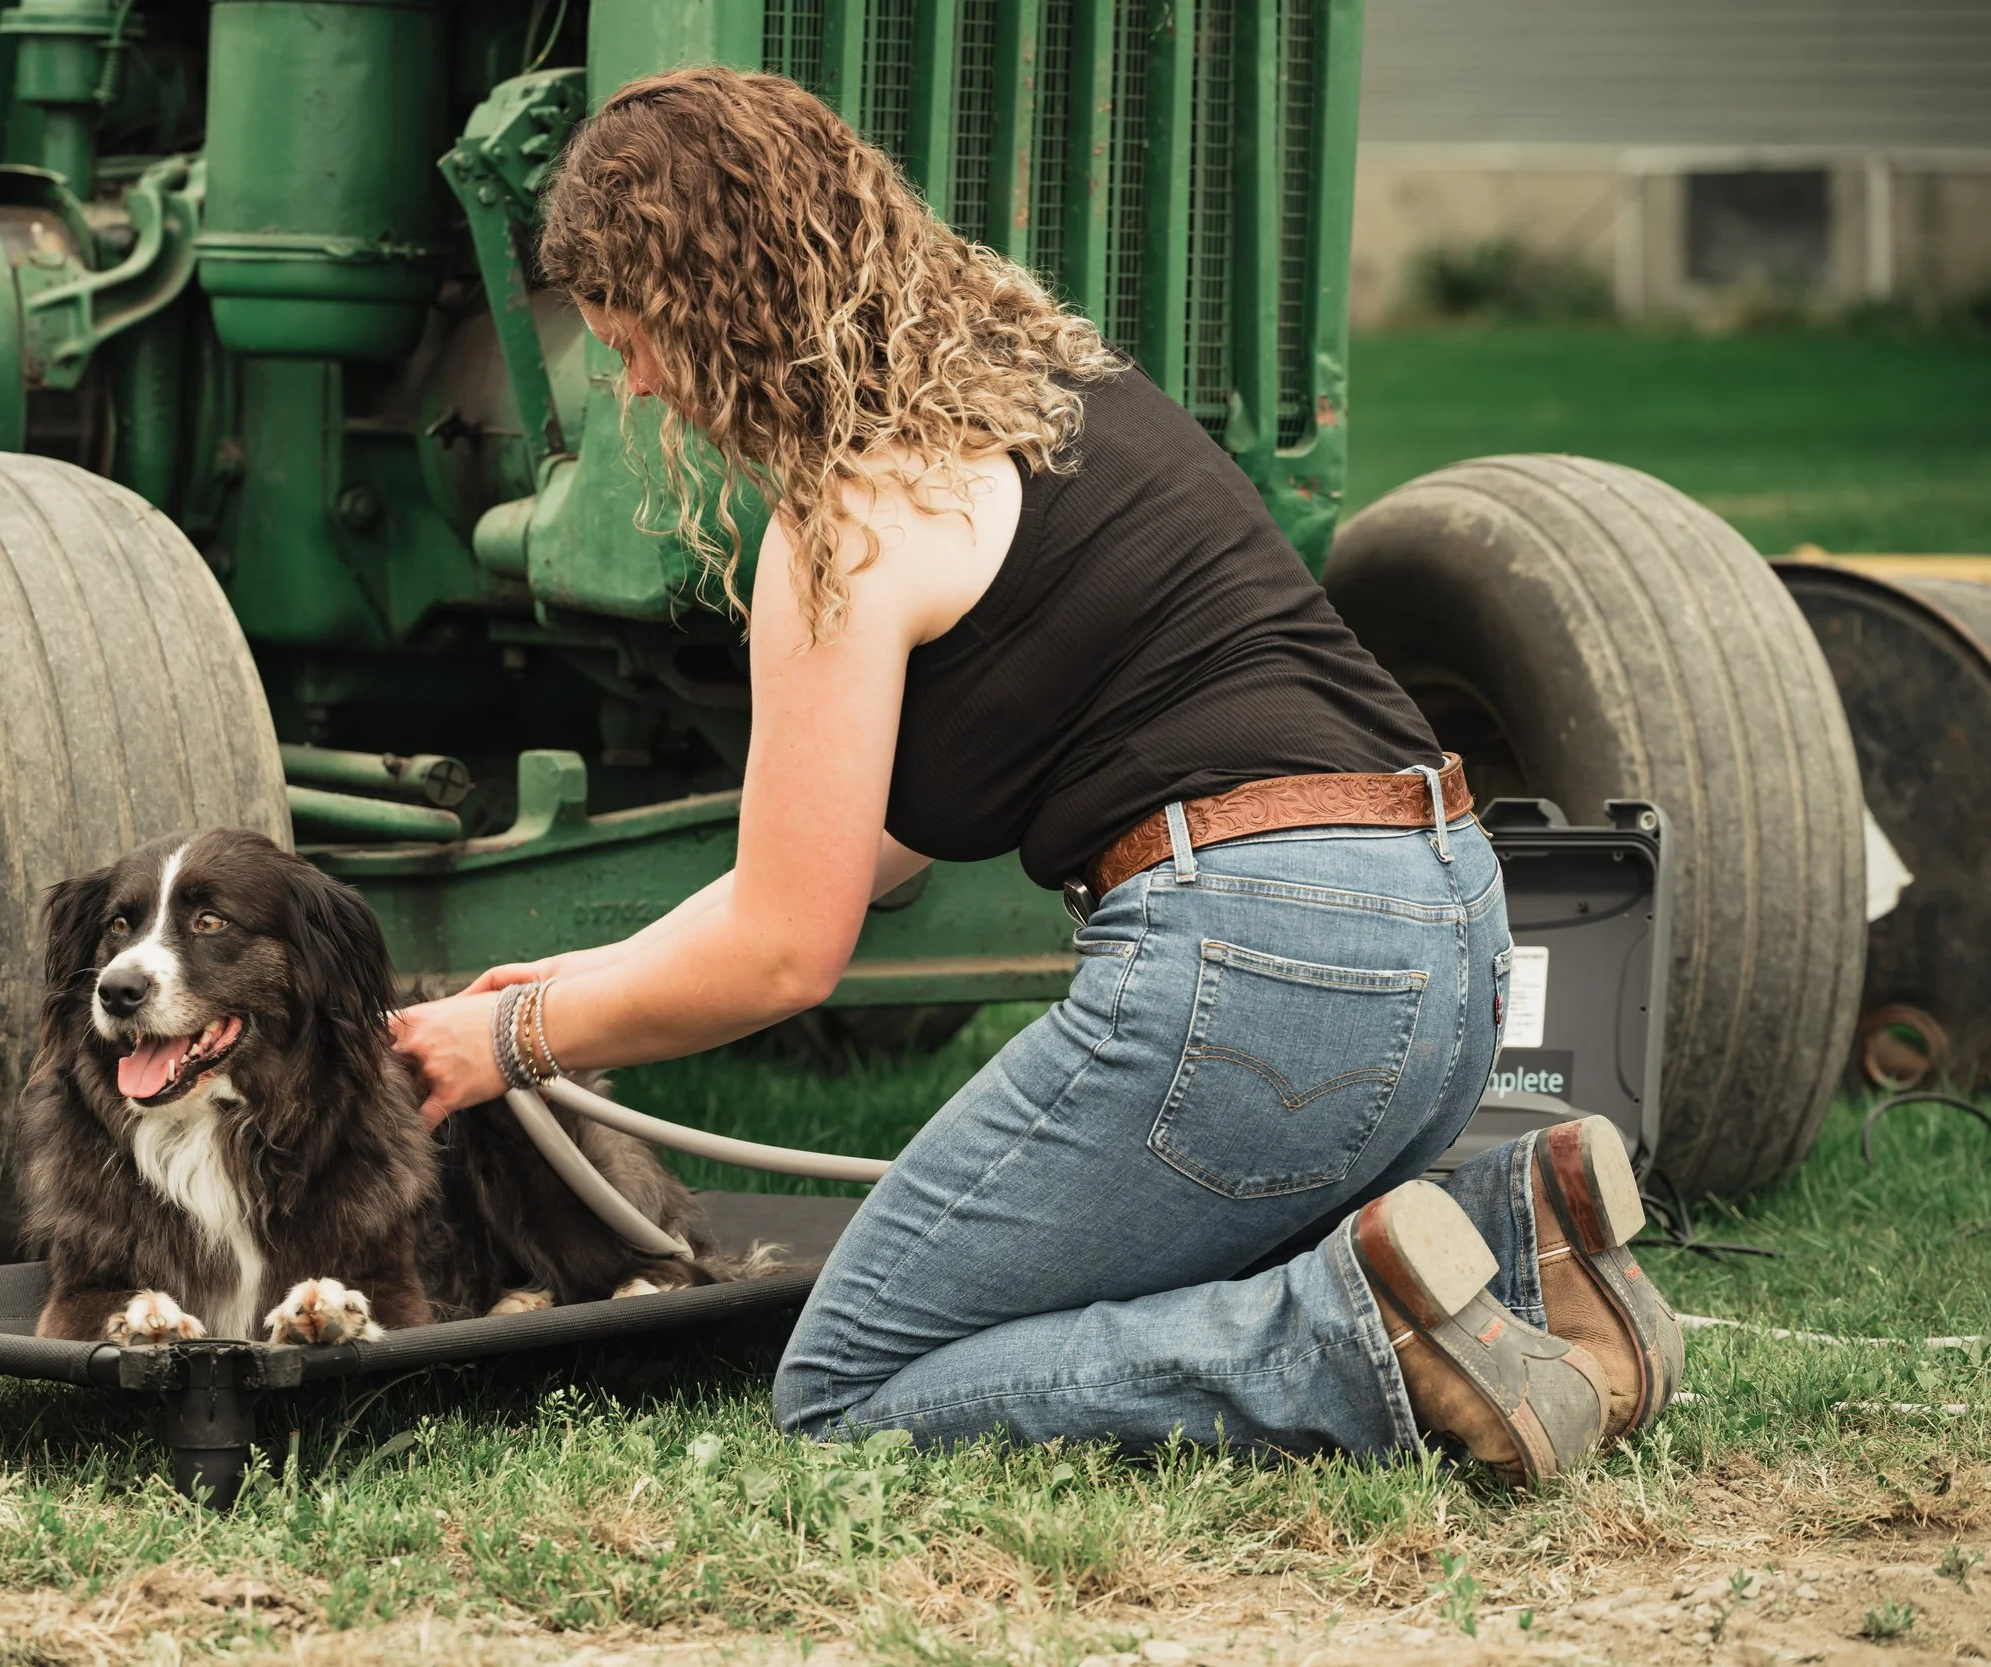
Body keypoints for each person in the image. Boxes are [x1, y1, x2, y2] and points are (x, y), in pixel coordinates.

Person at [391, 66, 1684, 1486]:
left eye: (632, 335)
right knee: (1050, 1303)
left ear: (713, 307)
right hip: (1456, 943)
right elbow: (848, 855)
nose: (629, 379)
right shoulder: (1055, 393)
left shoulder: (846, 513)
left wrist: (518, 1046)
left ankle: (1358, 1332)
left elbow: (783, 954)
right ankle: (1526, 1238)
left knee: (851, 1373)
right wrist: (571, 980)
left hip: (1258, 968)